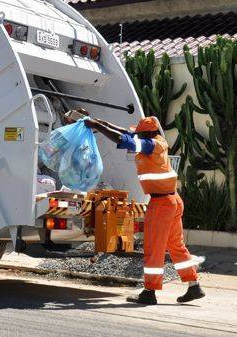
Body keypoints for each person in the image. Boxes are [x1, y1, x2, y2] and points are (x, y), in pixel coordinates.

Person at [82, 114, 205, 305]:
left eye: (140, 134)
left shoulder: (151, 146)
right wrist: (98, 122)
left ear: (148, 134)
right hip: (173, 201)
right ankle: (193, 285)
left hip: (161, 204)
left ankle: (149, 292)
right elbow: (126, 133)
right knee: (176, 245)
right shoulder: (157, 139)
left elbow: (125, 140)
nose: (137, 136)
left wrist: (97, 125)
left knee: (154, 249)